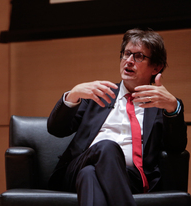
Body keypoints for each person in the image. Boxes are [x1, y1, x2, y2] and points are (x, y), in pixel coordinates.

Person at [47, 28, 187, 206]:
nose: (129, 61)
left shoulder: (162, 105)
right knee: (107, 147)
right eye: (126, 54)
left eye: (139, 56)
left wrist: (173, 108)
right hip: (75, 170)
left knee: (89, 174)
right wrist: (73, 95)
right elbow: (56, 129)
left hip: (132, 177)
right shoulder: (99, 94)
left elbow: (176, 147)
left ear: (156, 67)